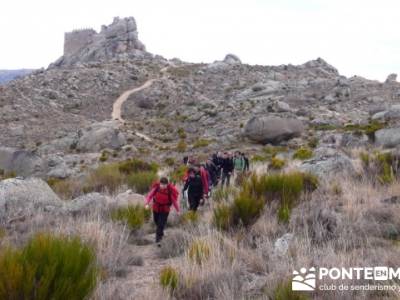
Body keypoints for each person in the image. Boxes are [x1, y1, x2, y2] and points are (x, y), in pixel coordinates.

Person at [145, 177, 179, 245]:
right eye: (162, 184)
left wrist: (178, 210)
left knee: (160, 224)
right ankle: (161, 232)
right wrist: (147, 203)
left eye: (164, 185)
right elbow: (150, 195)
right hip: (156, 208)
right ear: (160, 183)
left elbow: (174, 201)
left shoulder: (169, 191)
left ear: (167, 184)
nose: (163, 186)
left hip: (165, 209)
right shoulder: (157, 188)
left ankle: (158, 240)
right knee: (156, 221)